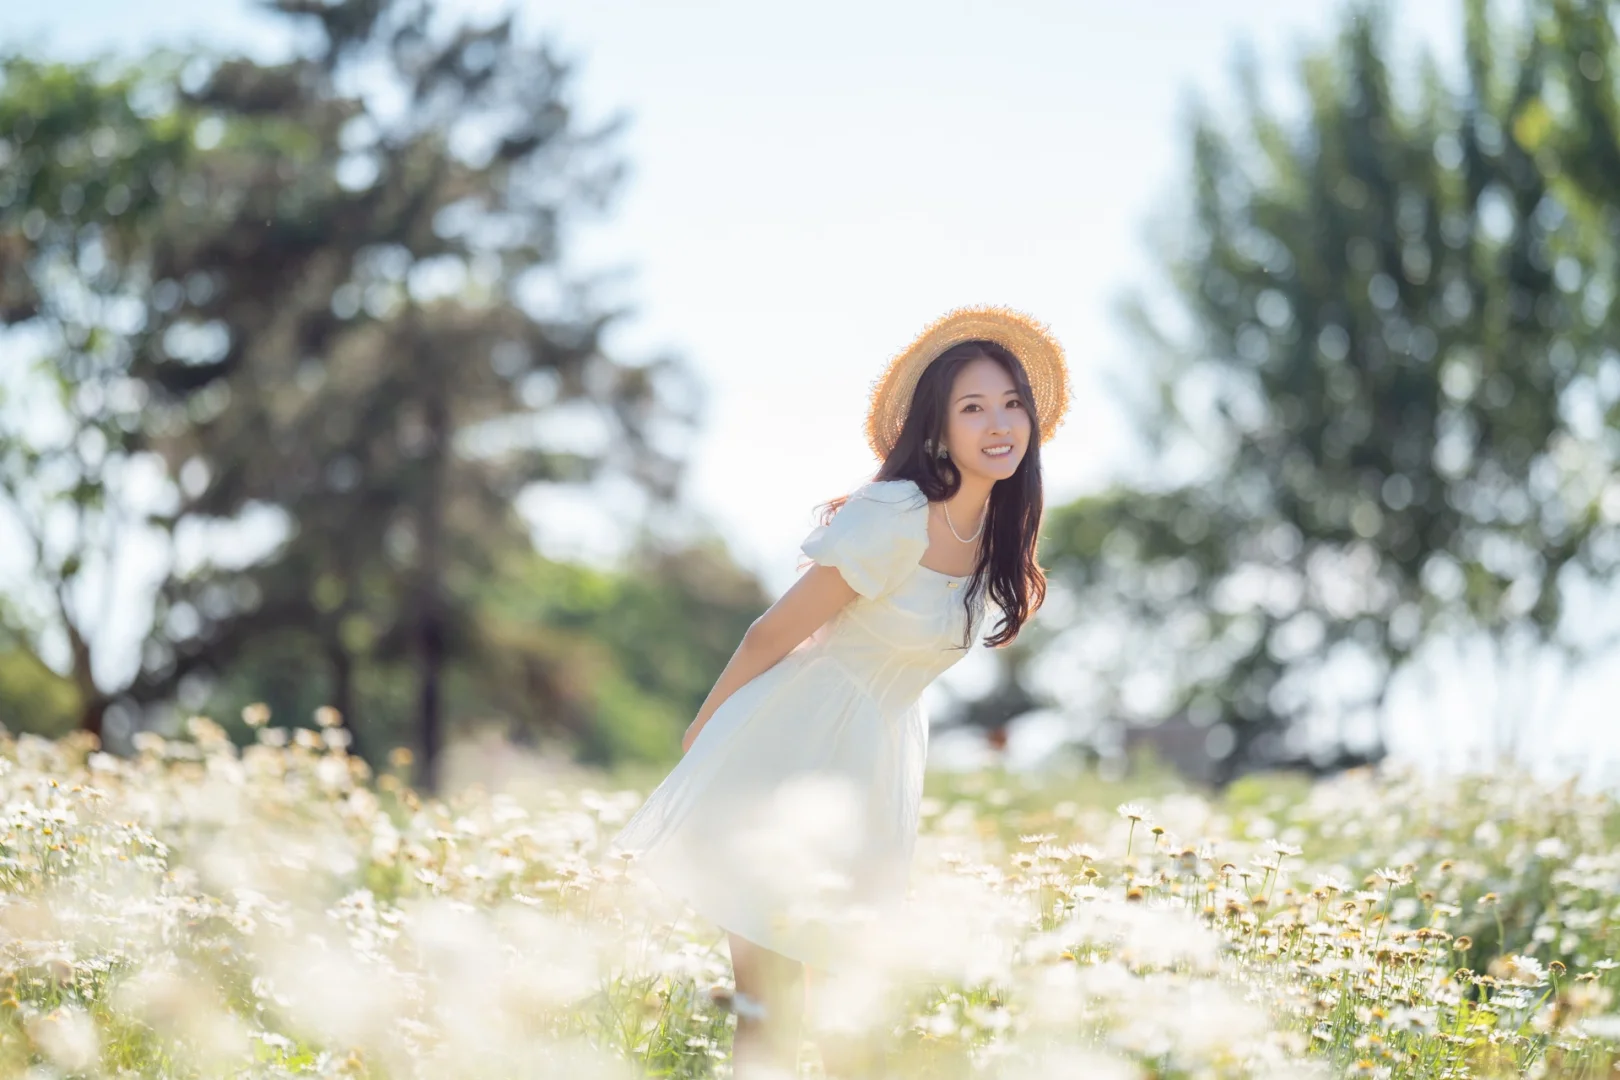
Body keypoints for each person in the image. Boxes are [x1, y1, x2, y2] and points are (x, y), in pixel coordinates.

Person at [607, 305, 1070, 1078]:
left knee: (851, 1016)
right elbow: (772, 634)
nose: (999, 423)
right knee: (772, 1007)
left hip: (874, 767)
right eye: (973, 407)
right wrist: (704, 730)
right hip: (786, 746)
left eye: (1012, 403)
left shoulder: (999, 542)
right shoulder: (894, 515)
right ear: (937, 428)